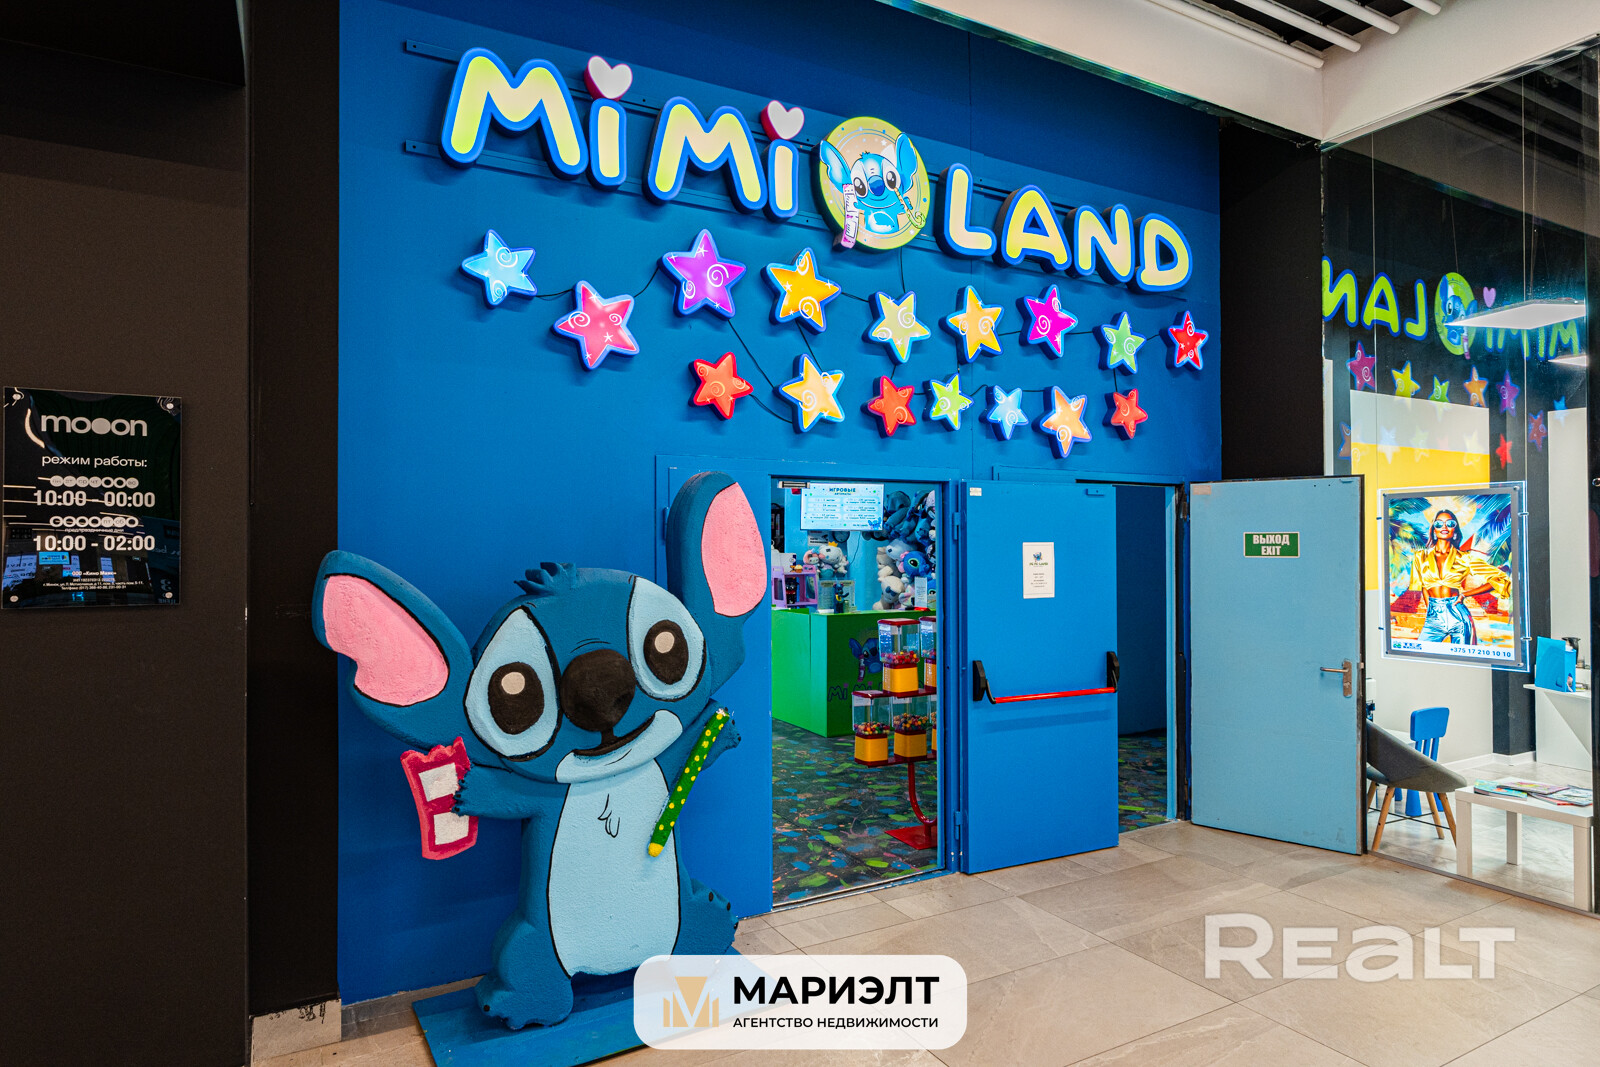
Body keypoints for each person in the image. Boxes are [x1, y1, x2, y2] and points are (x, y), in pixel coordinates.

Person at [1407, 509, 1511, 644]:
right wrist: (1430, 611)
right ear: (1433, 530)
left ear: (1455, 531)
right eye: (1439, 524)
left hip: (1458, 614)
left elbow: (1500, 579)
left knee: (1463, 655)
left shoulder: (1465, 558)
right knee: (1422, 651)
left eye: (1450, 523)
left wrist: (1466, 594)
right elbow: (1423, 587)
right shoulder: (1420, 557)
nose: (1444, 527)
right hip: (1433, 618)